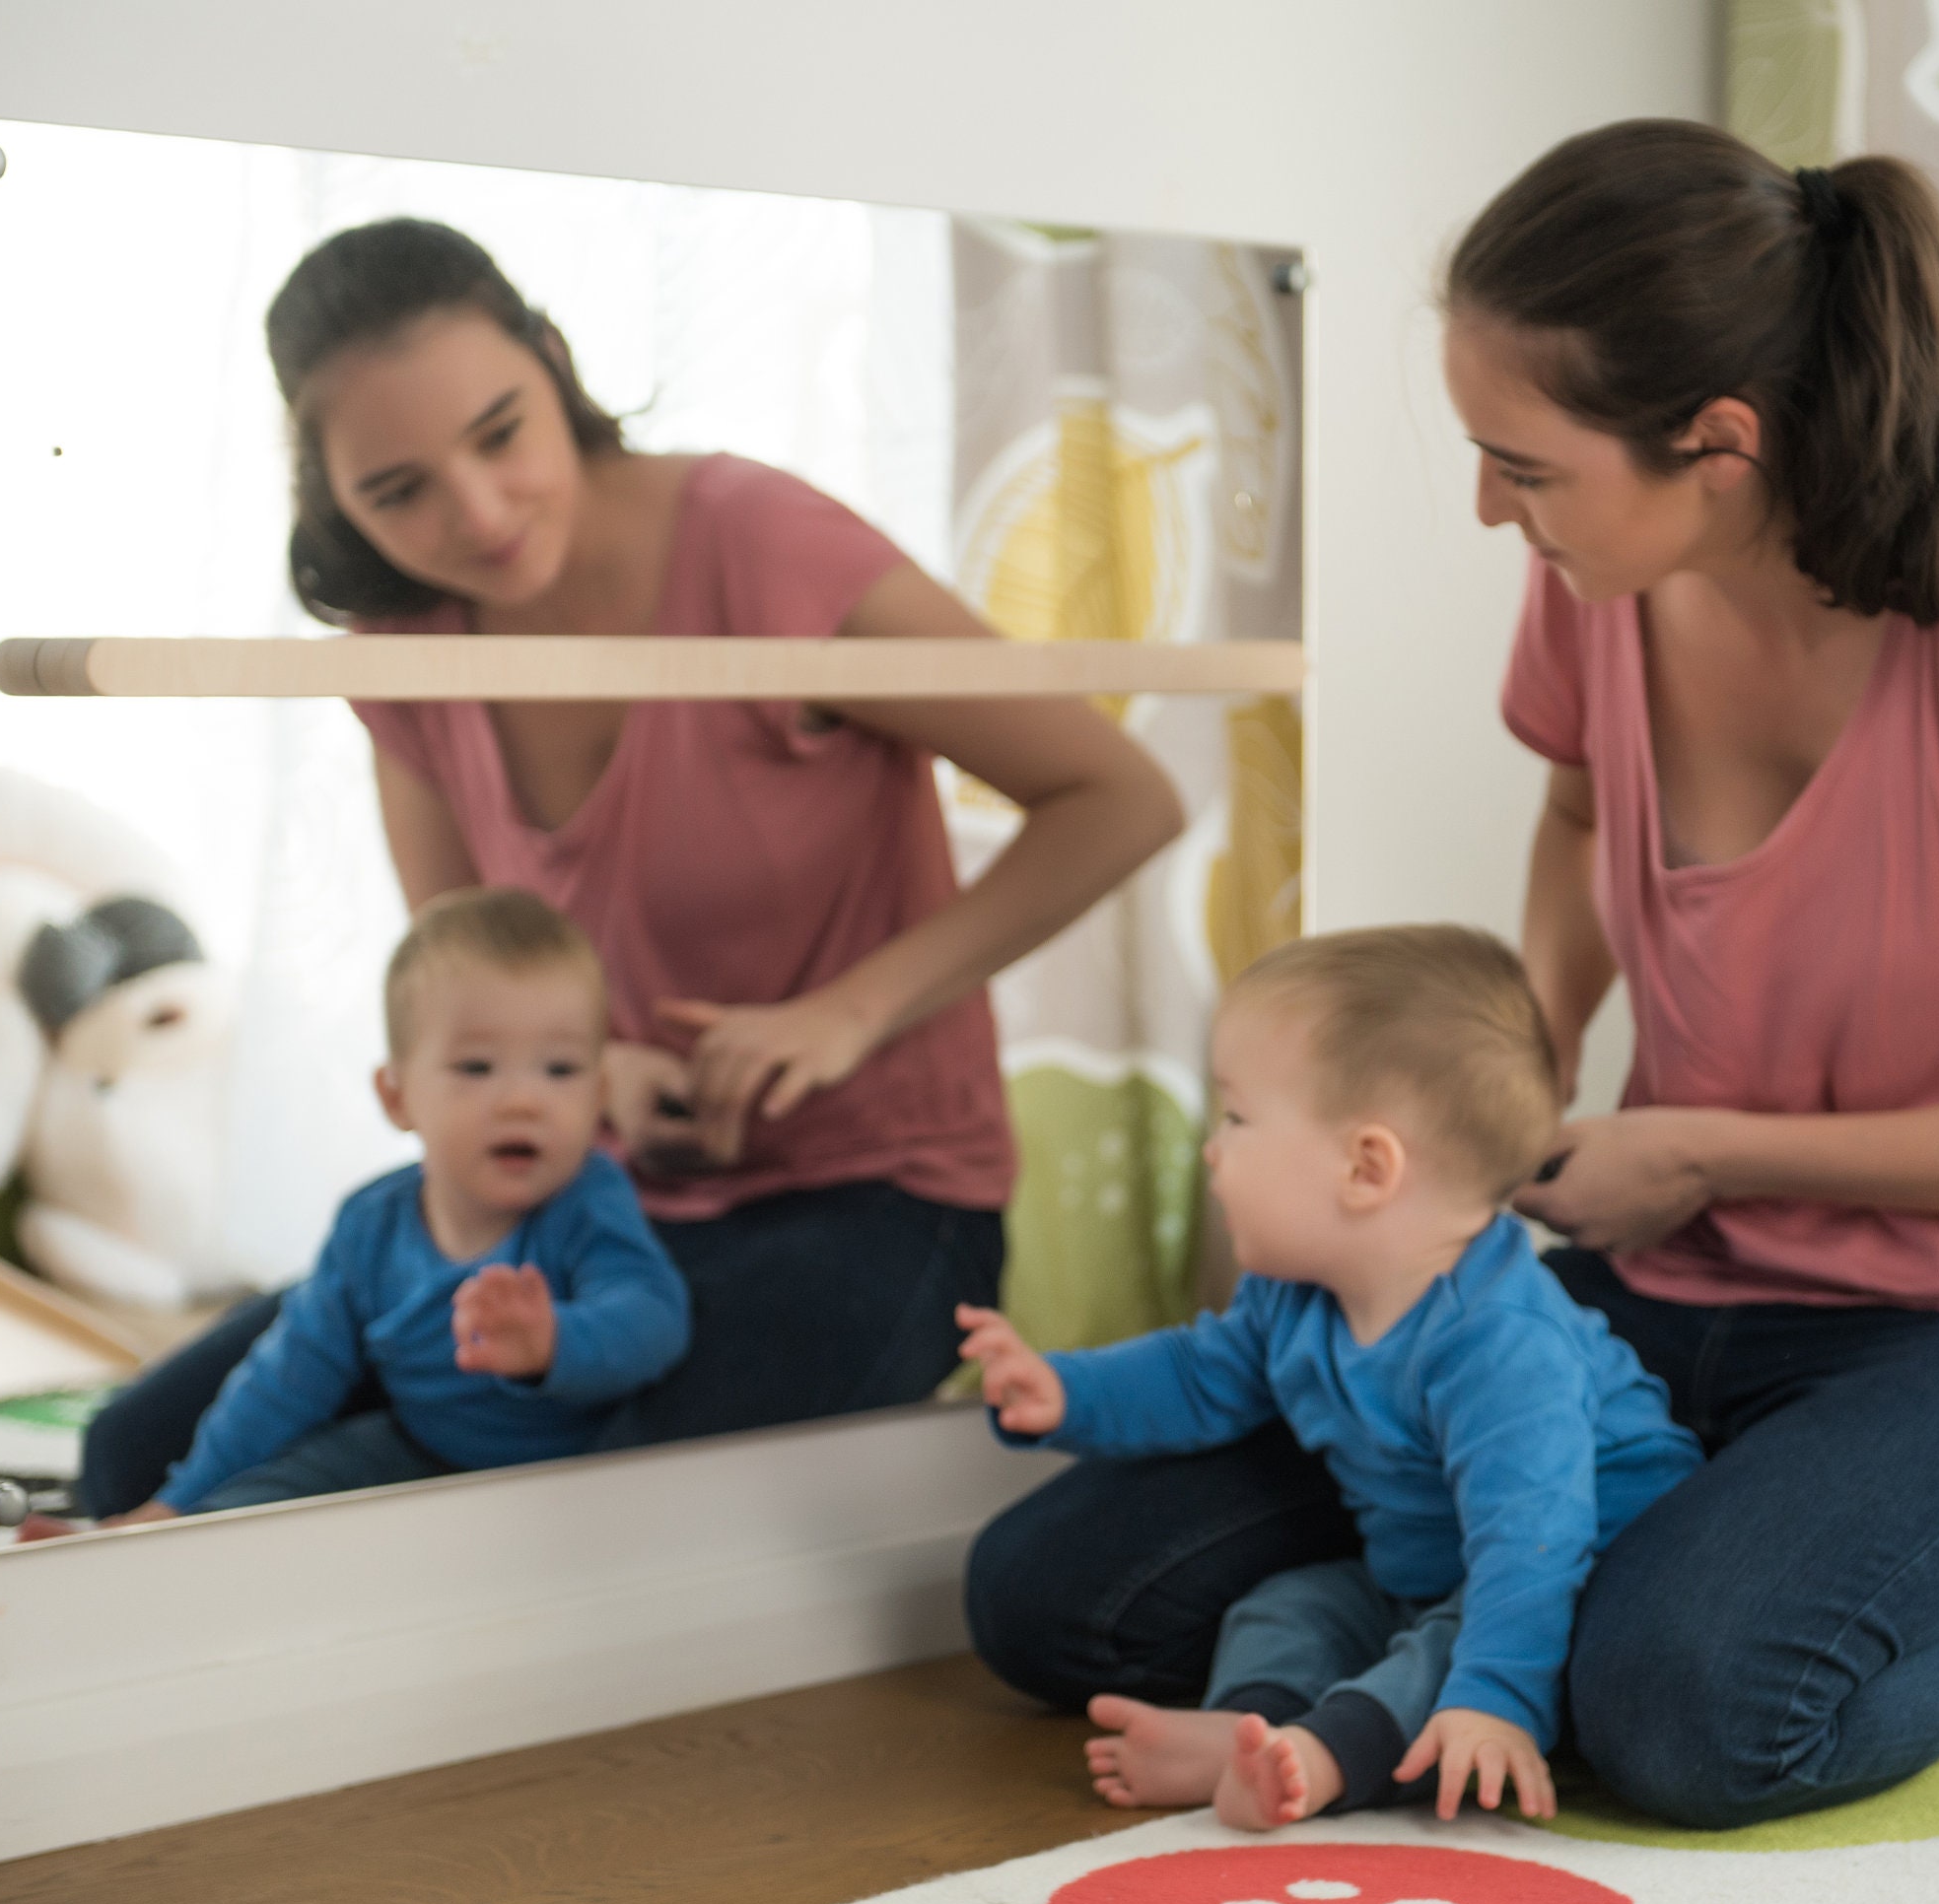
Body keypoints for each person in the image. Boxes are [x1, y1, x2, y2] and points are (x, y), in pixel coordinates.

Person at [964, 121, 1939, 1830]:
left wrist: (1703, 1148)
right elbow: (1575, 814)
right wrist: (1505, 1110)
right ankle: (1691, 1568)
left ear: (1719, 443)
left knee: (1681, 1708)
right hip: (1674, 1272)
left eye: (1526, 464)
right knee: (1060, 1594)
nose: (1491, 505)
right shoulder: (1603, 574)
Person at [74, 219, 1184, 1515]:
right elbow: (468, 964)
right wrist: (606, 1074)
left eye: (500, 433)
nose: (477, 514)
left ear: (555, 362)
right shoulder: (405, 642)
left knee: (530, 1474)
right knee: (133, 1451)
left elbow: (1117, 796)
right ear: (332, 497)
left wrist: (848, 1013)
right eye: (398, 490)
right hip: (582, 1196)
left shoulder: (760, 542)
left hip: (874, 1199)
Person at [958, 926, 1699, 1829]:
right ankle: (1249, 1730)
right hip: (1422, 1569)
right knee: (1291, 1605)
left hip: (1573, 1571)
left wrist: (1497, 1699)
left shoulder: (1501, 1342)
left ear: (1366, 1167)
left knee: (1448, 1653)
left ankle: (1330, 1756)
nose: (1211, 1150)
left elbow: (1531, 1541)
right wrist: (1065, 1391)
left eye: (1237, 1117)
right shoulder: (1295, 1297)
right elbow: (1200, 1375)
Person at [90, 890, 687, 1525]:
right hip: (417, 1448)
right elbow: (289, 1377)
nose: (523, 1101)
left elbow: (653, 1318)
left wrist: (553, 1341)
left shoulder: (588, 1201)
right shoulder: (371, 1226)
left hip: (567, 1483)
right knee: (248, 1511)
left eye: (559, 1070)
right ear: (397, 1096)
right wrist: (176, 1503)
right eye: (478, 1067)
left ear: (600, 1094)